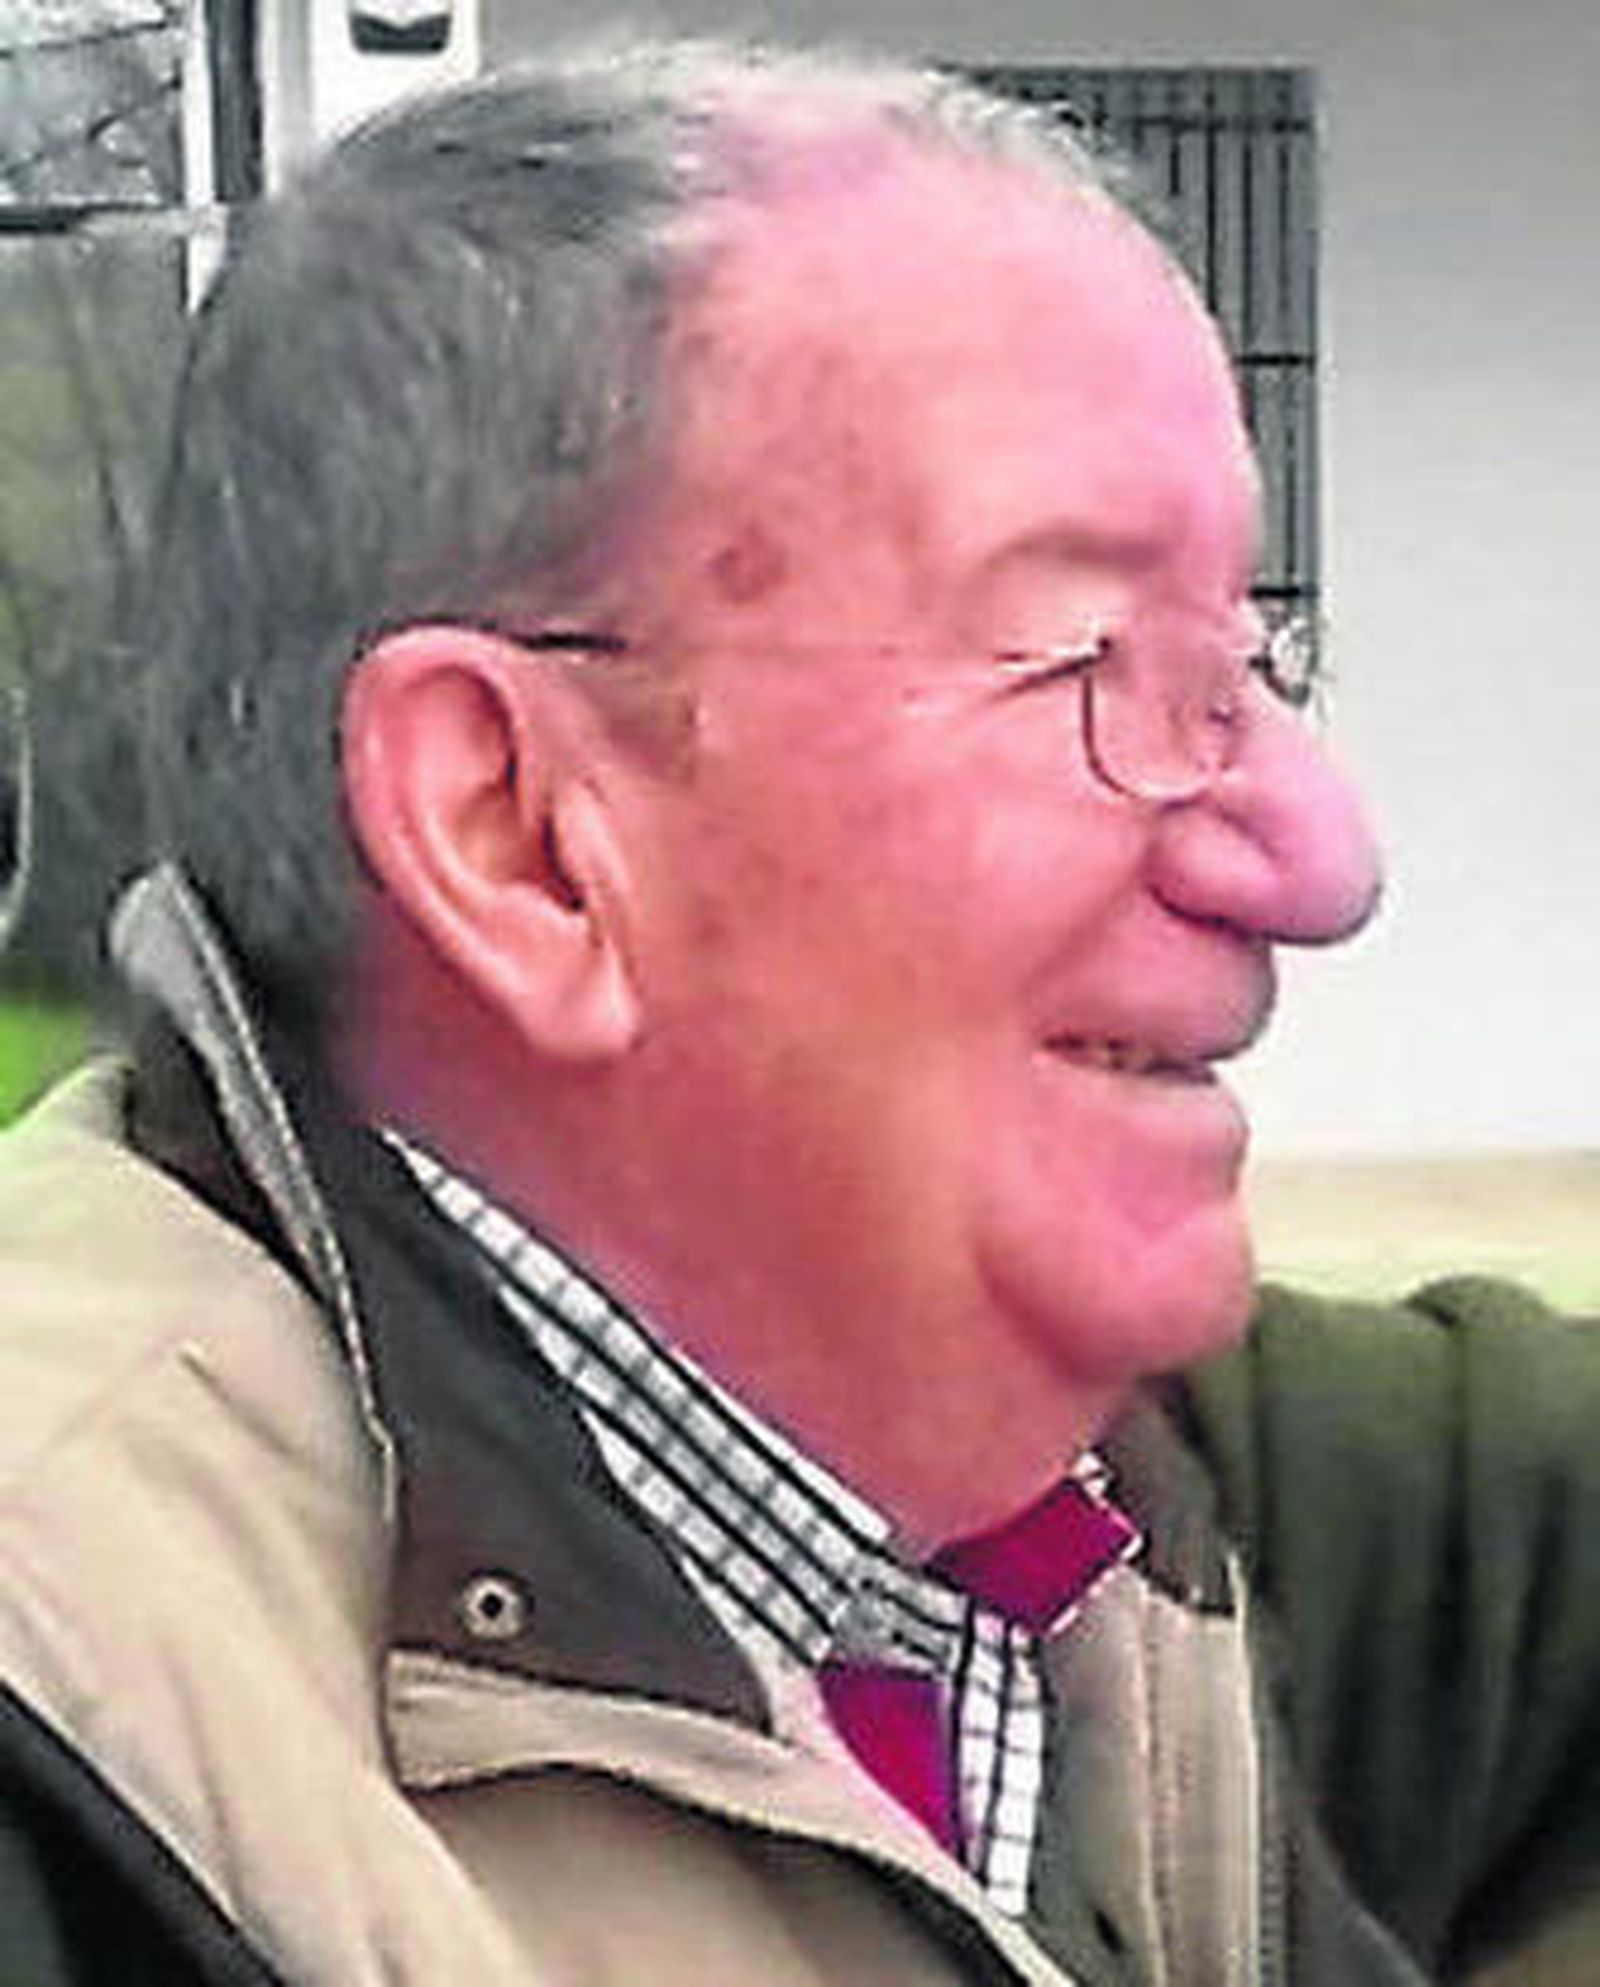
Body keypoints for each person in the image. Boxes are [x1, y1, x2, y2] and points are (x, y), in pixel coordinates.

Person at [1, 35, 1596, 1986]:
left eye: (1246, 664)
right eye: (1087, 658)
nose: (1315, 857)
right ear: (517, 833)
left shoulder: (1134, 1491)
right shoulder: (77, 1765)